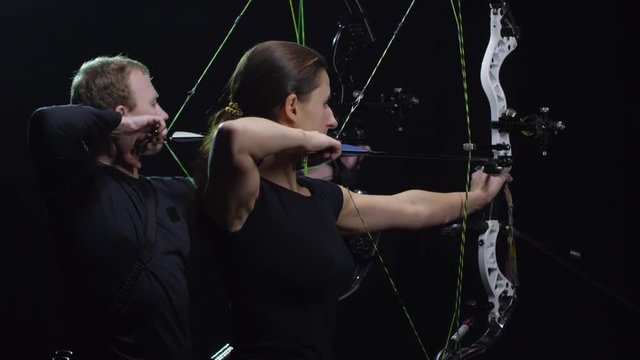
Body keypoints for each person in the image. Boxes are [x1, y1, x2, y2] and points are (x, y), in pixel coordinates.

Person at [193, 40, 509, 360]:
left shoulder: (321, 197)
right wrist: (308, 138)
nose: (332, 120)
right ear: (292, 106)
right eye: (326, 104)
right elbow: (231, 136)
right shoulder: (242, 195)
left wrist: (476, 197)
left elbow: (409, 206)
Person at [28, 55, 195, 360]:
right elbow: (47, 121)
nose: (164, 114)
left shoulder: (173, 193)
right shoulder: (75, 183)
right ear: (122, 113)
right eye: (154, 104)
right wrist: (124, 125)